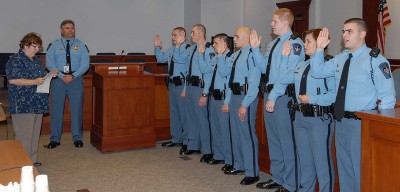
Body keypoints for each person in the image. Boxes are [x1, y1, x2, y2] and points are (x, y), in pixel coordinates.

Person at [311, 18, 395, 192]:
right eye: (343, 31)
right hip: (341, 121)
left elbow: (388, 99)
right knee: (345, 170)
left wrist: (378, 130)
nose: (344, 35)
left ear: (362, 34)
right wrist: (319, 49)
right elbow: (317, 72)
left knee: (361, 171)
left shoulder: (375, 60)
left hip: (361, 124)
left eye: (349, 31)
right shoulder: (341, 59)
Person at [251, 8, 305, 192]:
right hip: (270, 95)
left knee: (286, 141)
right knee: (274, 139)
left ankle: (290, 184)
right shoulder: (274, 44)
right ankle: (278, 177)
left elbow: (289, 75)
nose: (271, 24)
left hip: (282, 98)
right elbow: (264, 69)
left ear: (285, 23)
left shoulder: (295, 44)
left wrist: (273, 97)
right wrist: (254, 50)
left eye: (274, 21)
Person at [278, 28, 336, 192]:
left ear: (320, 43)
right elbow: (283, 78)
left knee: (322, 162)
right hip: (300, 117)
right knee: (305, 160)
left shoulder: (328, 65)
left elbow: (334, 95)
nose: (304, 44)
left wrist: (313, 99)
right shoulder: (302, 65)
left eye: (308, 41)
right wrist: (284, 58)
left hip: (319, 119)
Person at [217, 27, 261, 185]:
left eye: (236, 36)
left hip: (245, 97)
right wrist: (221, 55)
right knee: (236, 133)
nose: (233, 39)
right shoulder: (235, 56)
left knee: (247, 134)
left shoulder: (252, 55)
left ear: (247, 37)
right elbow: (224, 74)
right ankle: (240, 165)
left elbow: (254, 83)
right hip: (234, 96)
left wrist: (245, 104)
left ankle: (253, 172)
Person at [6, 32, 58, 165]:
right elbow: (13, 80)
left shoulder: (35, 60)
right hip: (23, 105)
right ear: (25, 45)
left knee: (34, 136)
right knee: (24, 137)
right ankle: (22, 165)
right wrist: (34, 81)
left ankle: (31, 161)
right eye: (35, 46)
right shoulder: (15, 60)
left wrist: (49, 75)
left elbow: (39, 77)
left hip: (37, 102)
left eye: (38, 47)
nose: (37, 50)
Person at [46, 19, 90, 149]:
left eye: (72, 28)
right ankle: (55, 138)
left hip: (75, 79)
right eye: (67, 28)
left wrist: (73, 75)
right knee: (56, 109)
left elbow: (85, 64)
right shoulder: (53, 45)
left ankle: (77, 137)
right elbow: (49, 63)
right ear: (61, 30)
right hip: (58, 80)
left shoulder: (81, 45)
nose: (70, 30)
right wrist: (61, 75)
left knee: (76, 109)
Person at [198, 33, 233, 167]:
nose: (213, 45)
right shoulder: (215, 58)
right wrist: (201, 55)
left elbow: (229, 80)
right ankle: (219, 155)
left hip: (224, 98)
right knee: (216, 128)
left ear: (224, 44)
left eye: (216, 43)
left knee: (225, 130)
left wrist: (227, 102)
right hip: (214, 97)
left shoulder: (230, 58)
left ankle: (229, 160)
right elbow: (205, 70)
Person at [181, 24, 214, 164]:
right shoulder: (192, 49)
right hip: (190, 86)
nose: (191, 35)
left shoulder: (208, 49)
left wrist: (205, 93)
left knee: (202, 119)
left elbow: (209, 73)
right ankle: (194, 145)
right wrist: (184, 88)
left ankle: (207, 150)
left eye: (193, 32)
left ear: (201, 34)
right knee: (191, 118)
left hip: (200, 88)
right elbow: (188, 71)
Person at [154, 27, 189, 149]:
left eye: (175, 35)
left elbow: (180, 59)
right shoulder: (172, 49)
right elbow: (160, 59)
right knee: (174, 113)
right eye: (172, 35)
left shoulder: (187, 49)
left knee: (184, 114)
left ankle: (186, 141)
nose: (172, 38)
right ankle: (176, 138)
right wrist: (157, 47)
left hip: (182, 85)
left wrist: (185, 89)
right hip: (172, 84)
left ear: (182, 35)